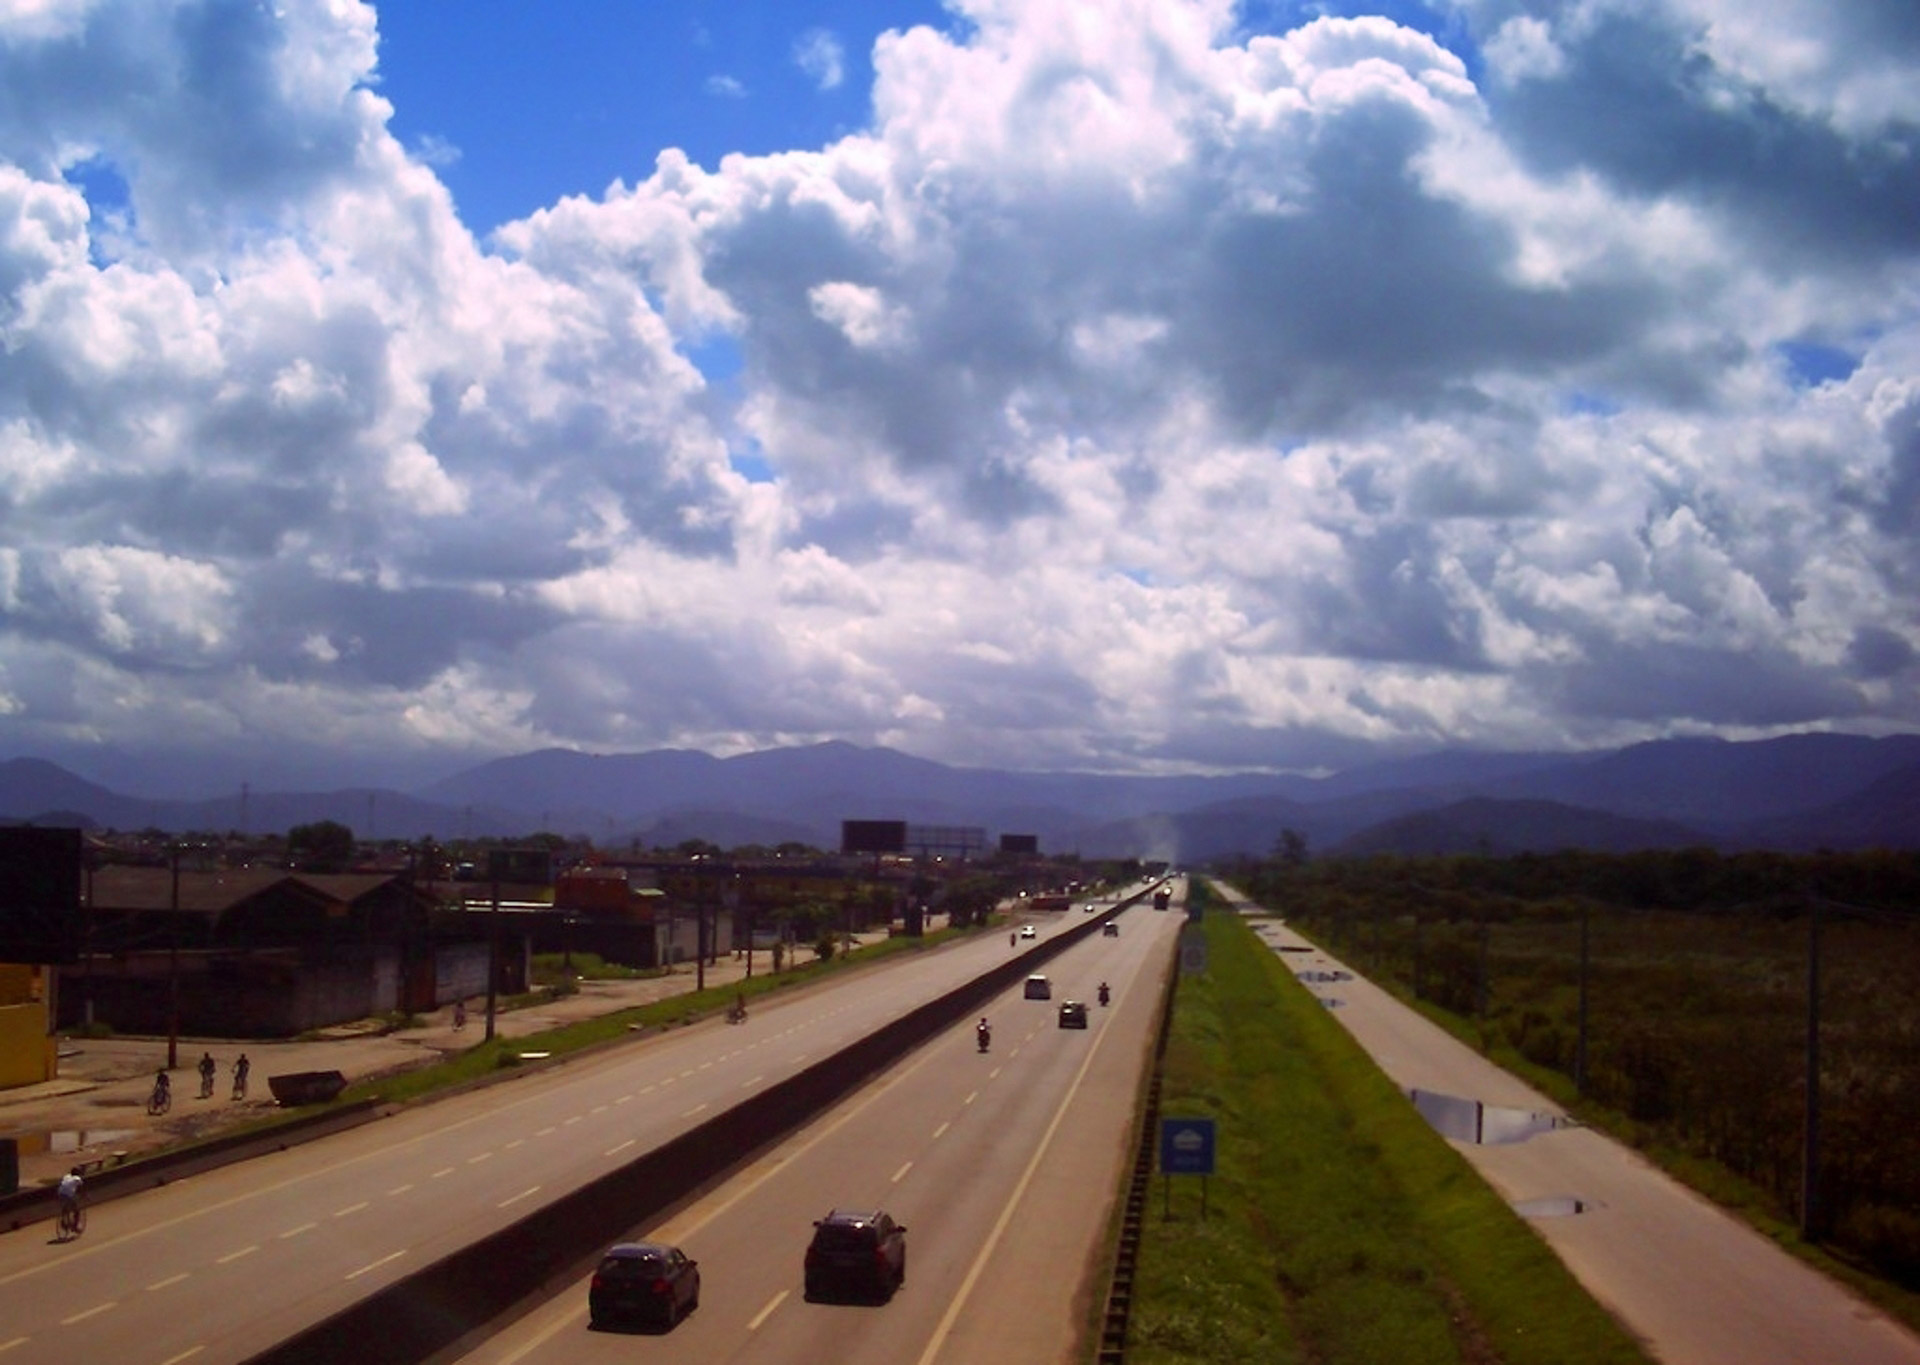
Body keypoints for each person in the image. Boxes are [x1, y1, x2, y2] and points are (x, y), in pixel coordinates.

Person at [57, 1167, 84, 1236]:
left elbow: (62, 1184)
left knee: (65, 1207)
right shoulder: (77, 1179)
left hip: (60, 1193)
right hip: (69, 1195)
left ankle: (63, 1220)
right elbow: (81, 1189)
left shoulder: (66, 1176)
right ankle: (75, 1226)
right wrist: (84, 1196)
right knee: (77, 1210)